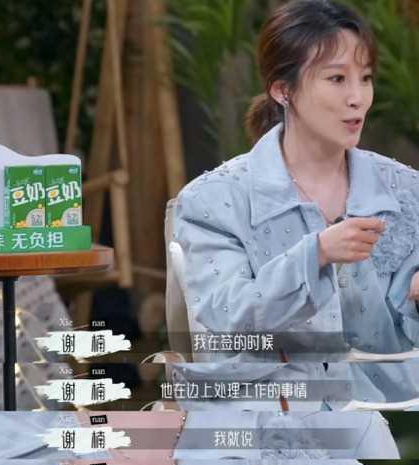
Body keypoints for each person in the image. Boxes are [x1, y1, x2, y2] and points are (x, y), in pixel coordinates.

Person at [174, 0, 419, 373]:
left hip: (400, 400)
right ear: (282, 90)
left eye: (365, 78)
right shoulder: (213, 201)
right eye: (337, 79)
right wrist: (316, 254)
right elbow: (228, 319)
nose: (357, 98)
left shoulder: (406, 190)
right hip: (282, 400)